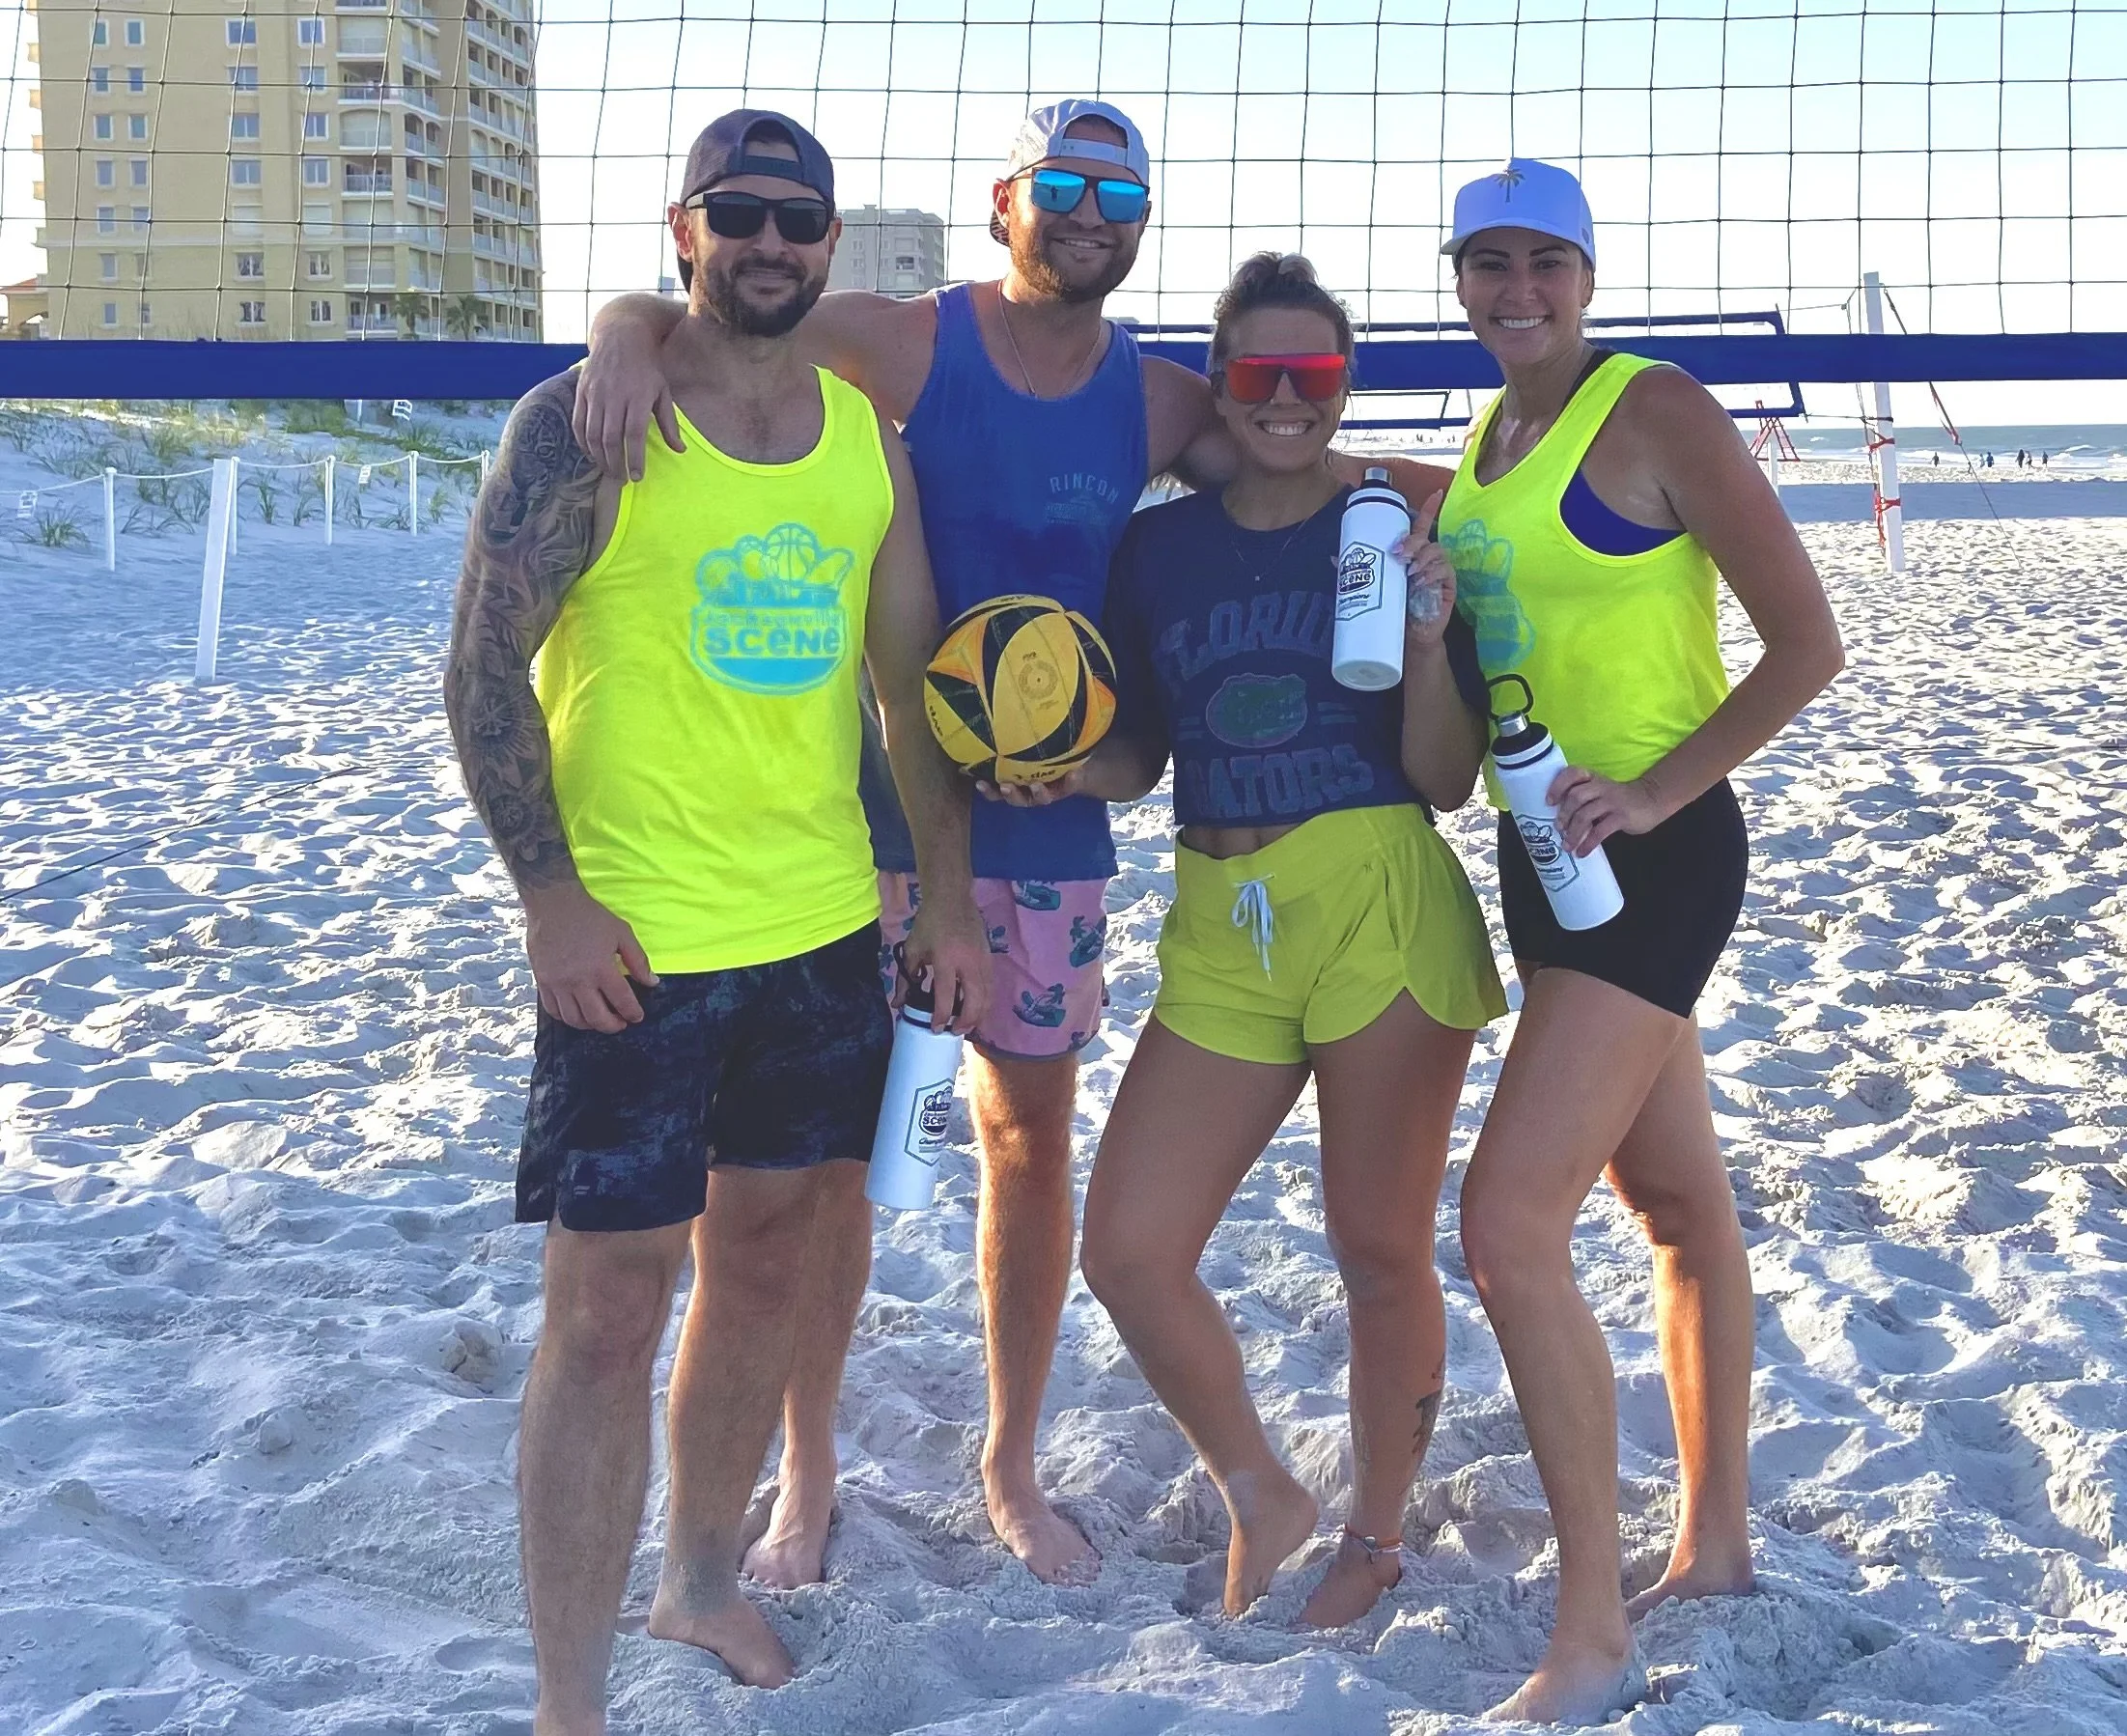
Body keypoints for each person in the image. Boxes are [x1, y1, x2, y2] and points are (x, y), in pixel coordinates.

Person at [569, 100, 1254, 1588]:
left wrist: (1458, 512)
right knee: (817, 1167)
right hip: (862, 821)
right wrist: (623, 325)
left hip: (1052, 823)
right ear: (1006, 199)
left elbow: (1298, 460)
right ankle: (806, 1472)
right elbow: (724, 323)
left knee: (1027, 1144)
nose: (1088, 210)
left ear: (1142, 218)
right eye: (1061, 183)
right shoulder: (909, 340)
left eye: (1117, 191)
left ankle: (1008, 1459)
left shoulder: (1157, 400)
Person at [443, 111, 989, 1734]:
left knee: (764, 1263)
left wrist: (946, 899)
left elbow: (912, 697)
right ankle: (568, 1702)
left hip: (820, 931)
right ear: (683, 230)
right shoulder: (587, 418)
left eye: (796, 219)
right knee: (604, 1312)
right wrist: (549, 898)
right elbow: (480, 672)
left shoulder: (857, 438)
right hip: (634, 940)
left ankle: (696, 1576)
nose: (769, 242)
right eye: (736, 214)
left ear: (829, 247)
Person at [1023, 254, 1507, 1629]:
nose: (1287, 399)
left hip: (1375, 894)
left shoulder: (1391, 518)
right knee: (1125, 1243)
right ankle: (1259, 1484)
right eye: (1259, 374)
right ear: (1221, 383)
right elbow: (1138, 755)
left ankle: (1373, 1535)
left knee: (1376, 1245)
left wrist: (1427, 629)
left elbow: (1444, 776)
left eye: (1317, 375)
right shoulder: (1158, 546)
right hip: (1222, 915)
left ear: (1345, 385)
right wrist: (1057, 764)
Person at [1427, 160, 1844, 1724]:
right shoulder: (1481, 444)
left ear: (1589, 276)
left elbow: (1809, 643)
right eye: (1488, 263)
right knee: (1673, 1200)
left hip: (1655, 857)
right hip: (1546, 858)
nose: (1515, 288)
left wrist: (1659, 788)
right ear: (1457, 279)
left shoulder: (1655, 407)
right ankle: (1718, 1541)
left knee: (1507, 1222)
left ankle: (1592, 1629)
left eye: (1545, 261)